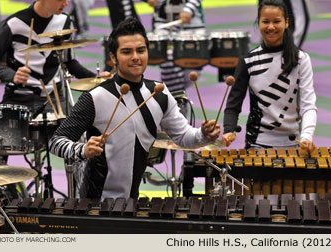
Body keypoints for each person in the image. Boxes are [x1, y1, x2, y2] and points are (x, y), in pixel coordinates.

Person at [49, 17, 220, 200]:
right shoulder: (96, 97)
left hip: (132, 202)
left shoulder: (159, 93)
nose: (136, 57)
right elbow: (56, 142)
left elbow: (184, 137)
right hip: (95, 202)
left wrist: (204, 136)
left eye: (141, 50)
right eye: (126, 52)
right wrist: (82, 150)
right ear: (113, 57)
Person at [222, 0, 317, 152]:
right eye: (265, 21)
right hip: (257, 144)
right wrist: (228, 129)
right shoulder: (248, 61)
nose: (271, 27)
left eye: (277, 21)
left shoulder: (301, 59)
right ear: (258, 23)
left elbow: (308, 104)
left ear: (286, 23)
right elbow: (233, 105)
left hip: (294, 143)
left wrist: (306, 136)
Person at [0, 0, 110, 114]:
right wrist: (11, 75)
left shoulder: (64, 21)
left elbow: (68, 62)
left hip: (55, 98)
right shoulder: (14, 23)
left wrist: (95, 78)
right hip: (19, 97)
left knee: (74, 131)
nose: (66, 3)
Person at [143, 0, 205, 95]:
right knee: (169, 69)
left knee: (192, 73)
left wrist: (189, 9)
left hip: (191, 29)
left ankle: (178, 100)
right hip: (163, 27)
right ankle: (176, 104)